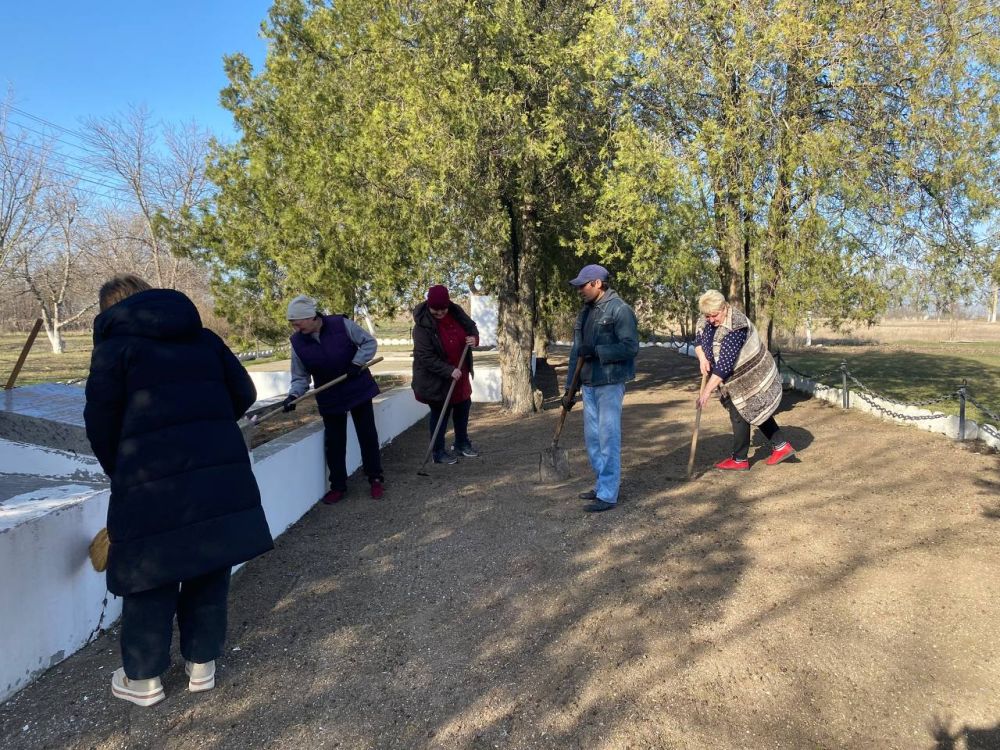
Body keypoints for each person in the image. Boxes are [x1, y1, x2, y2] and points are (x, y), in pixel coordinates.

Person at [84, 274, 274, 707]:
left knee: (149, 572)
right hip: (217, 470)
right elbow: (243, 392)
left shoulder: (115, 349)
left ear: (109, 310)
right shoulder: (203, 339)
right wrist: (205, 427)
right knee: (209, 561)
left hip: (149, 480)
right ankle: (202, 664)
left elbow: (101, 425)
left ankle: (145, 679)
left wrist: (124, 468)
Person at [284, 294, 385, 503]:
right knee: (335, 442)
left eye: (298, 323)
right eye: (293, 325)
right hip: (329, 394)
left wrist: (357, 363)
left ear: (311, 317)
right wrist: (294, 395)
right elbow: (300, 376)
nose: (296, 328)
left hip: (357, 387)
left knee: (367, 434)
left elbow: (368, 343)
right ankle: (338, 485)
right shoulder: (297, 343)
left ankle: (375, 478)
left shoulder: (341, 324)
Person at [562, 264, 639, 512]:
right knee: (593, 439)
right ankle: (601, 484)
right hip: (588, 383)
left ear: (597, 283)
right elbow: (577, 352)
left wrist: (597, 351)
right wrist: (569, 390)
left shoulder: (620, 310)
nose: (580, 291)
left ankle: (608, 494)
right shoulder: (585, 312)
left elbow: (630, 347)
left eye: (583, 285)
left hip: (609, 382)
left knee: (608, 438)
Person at [694, 289, 796, 470]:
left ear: (724, 308)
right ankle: (781, 446)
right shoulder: (707, 319)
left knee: (740, 412)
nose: (711, 320)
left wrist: (706, 392)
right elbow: (699, 339)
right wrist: (702, 357)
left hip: (750, 374)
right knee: (755, 409)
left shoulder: (736, 327)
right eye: (708, 316)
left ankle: (739, 459)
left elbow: (724, 366)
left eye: (714, 315)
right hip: (732, 375)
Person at [411, 285, 480, 464]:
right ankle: (438, 452)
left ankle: (461, 443)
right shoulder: (421, 327)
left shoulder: (456, 312)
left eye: (443, 309)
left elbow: (472, 328)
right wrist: (448, 370)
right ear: (428, 305)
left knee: (463, 408)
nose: (440, 313)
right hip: (437, 379)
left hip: (460, 375)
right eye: (436, 310)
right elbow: (425, 357)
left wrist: (475, 339)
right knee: (440, 414)